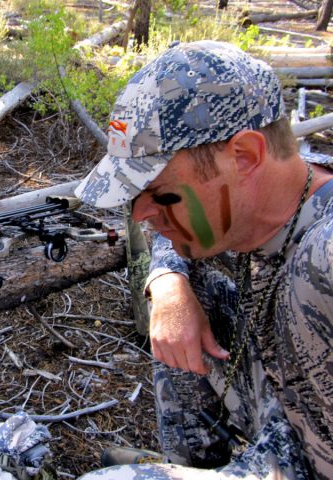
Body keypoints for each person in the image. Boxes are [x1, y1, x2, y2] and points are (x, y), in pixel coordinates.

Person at [74, 40, 332, 479]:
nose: (140, 214)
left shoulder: (325, 254)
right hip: (289, 423)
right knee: (186, 294)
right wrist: (168, 282)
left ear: (245, 156)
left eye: (160, 192)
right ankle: (196, 465)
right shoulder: (272, 199)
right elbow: (169, 245)